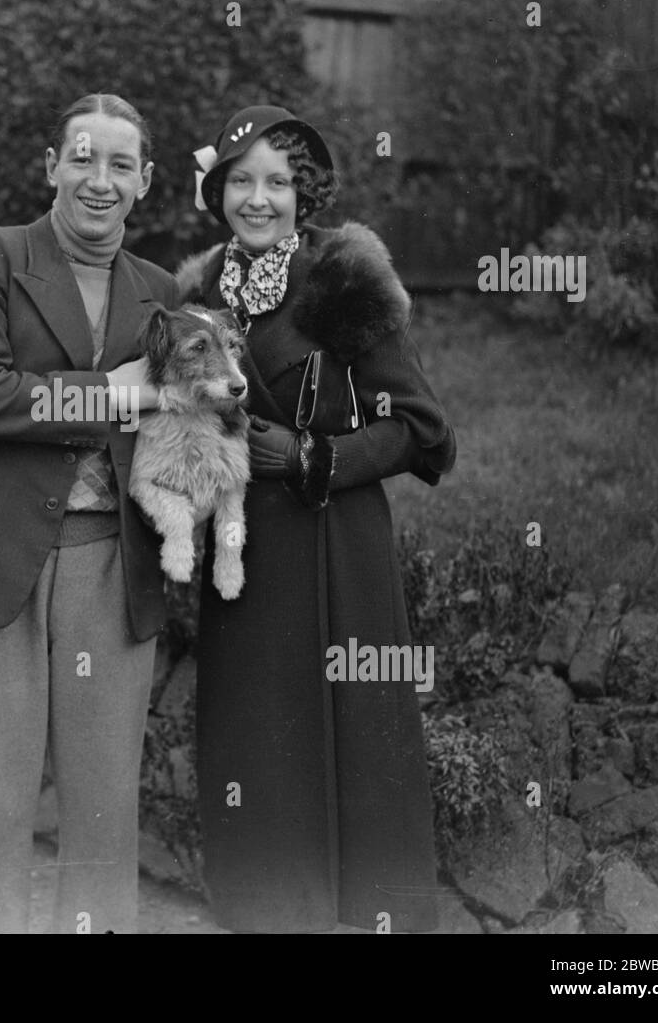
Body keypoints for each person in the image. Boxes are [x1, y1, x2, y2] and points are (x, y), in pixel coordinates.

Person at [180, 104, 457, 933]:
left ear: (305, 193)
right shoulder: (197, 294)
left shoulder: (340, 274)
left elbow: (425, 433)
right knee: (257, 730)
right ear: (216, 191)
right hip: (243, 551)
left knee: (350, 726)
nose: (258, 199)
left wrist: (311, 456)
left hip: (336, 542)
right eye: (240, 181)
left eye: (278, 182)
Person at [0, 93, 178, 934]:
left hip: (112, 561)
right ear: (50, 166)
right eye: (82, 158)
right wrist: (111, 393)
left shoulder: (160, 291)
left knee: (105, 808)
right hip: (3, 553)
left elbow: (178, 417)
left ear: (144, 182)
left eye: (119, 165)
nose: (98, 181)